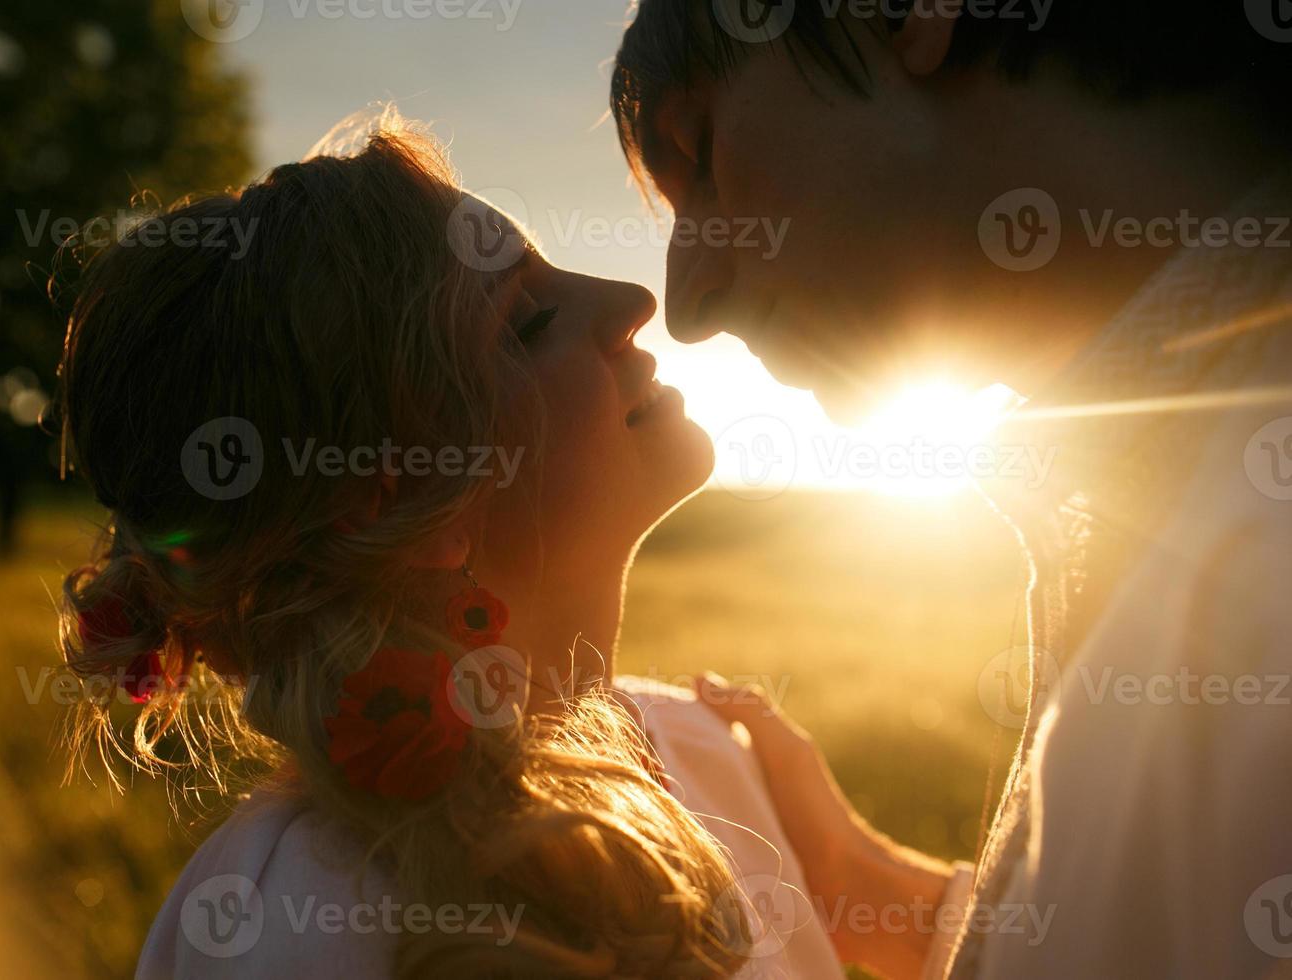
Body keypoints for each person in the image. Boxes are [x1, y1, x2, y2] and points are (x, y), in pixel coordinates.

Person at [52, 112, 967, 979]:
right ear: (398, 498)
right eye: (525, 323)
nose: (631, 299)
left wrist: (857, 878)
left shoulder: (697, 744)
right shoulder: (297, 918)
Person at [612, 1, 1292, 976]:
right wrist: (881, 888)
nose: (684, 305)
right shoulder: (1169, 498)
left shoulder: (1257, 560)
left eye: (705, 156)